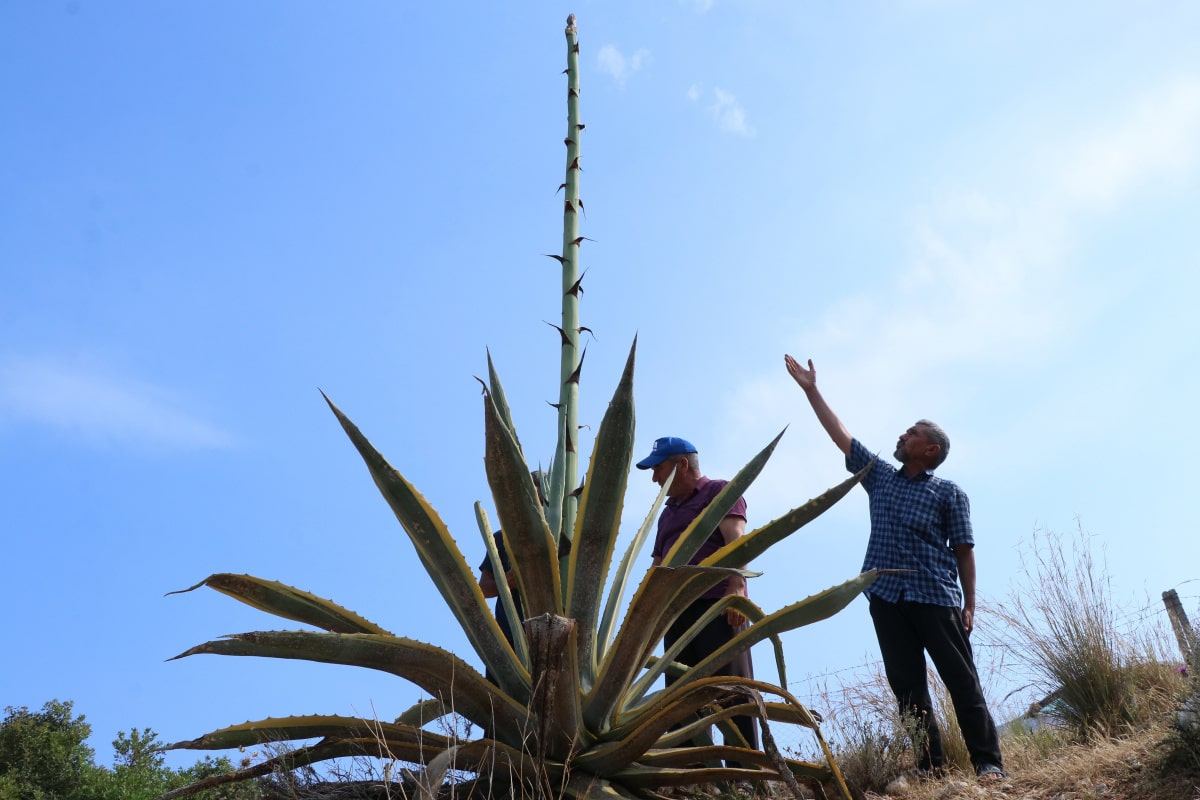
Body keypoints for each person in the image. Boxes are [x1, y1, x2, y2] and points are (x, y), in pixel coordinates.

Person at [784, 354, 1006, 782]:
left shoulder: (949, 493)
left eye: (913, 433)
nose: (903, 436)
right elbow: (843, 438)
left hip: (935, 595)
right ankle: (930, 767)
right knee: (908, 689)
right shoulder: (881, 478)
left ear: (931, 449)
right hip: (886, 599)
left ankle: (988, 762)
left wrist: (970, 605)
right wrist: (812, 390)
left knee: (962, 681)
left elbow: (964, 551)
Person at [636, 436, 759, 762]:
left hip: (716, 606)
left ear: (682, 465)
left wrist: (737, 590)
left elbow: (737, 541)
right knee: (680, 696)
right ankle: (690, 776)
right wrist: (645, 612)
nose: (654, 478)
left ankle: (744, 773)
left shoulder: (719, 492)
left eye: (658, 468)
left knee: (732, 689)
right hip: (677, 613)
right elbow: (658, 566)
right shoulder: (667, 513)